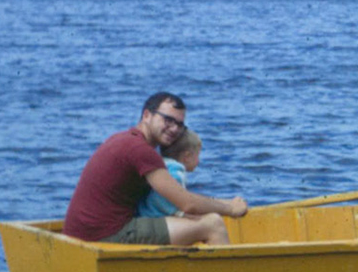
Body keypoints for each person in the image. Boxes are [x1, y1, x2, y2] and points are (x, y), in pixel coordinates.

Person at [63, 93, 248, 246]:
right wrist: (230, 208)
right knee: (213, 224)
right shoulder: (140, 150)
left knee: (193, 219)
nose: (174, 129)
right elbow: (187, 203)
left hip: (81, 234)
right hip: (104, 235)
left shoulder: (123, 139)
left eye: (179, 124)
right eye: (168, 120)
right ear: (146, 115)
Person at [139, 127, 202, 218]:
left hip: (144, 215)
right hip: (155, 217)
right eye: (198, 155)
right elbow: (162, 201)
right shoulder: (176, 174)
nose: (199, 161)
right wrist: (180, 214)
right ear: (187, 156)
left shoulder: (162, 166)